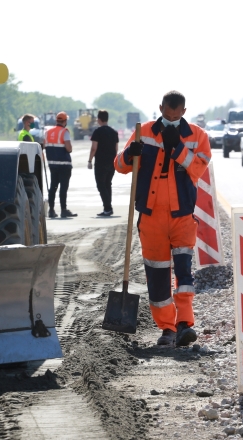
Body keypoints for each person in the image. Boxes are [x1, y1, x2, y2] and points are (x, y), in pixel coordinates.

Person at [115, 90, 211, 346]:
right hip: (151, 216)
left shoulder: (197, 136)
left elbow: (199, 168)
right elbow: (120, 166)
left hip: (182, 217)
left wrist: (177, 147)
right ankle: (167, 328)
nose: (169, 119)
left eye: (174, 115)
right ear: (160, 108)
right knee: (157, 275)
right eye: (165, 114)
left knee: (183, 273)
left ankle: (184, 324)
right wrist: (128, 153)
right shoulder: (143, 131)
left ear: (183, 112)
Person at [88, 110, 120, 216]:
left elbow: (94, 148)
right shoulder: (114, 132)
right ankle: (108, 208)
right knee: (107, 184)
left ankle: (108, 208)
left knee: (101, 185)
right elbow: (116, 148)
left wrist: (89, 160)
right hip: (112, 162)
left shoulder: (97, 132)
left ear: (99, 119)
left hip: (101, 162)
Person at [45, 111, 76, 218]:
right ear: (65, 121)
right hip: (64, 164)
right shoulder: (64, 132)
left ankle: (51, 210)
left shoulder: (48, 132)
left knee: (53, 187)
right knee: (63, 187)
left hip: (52, 164)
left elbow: (44, 146)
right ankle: (63, 210)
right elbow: (68, 148)